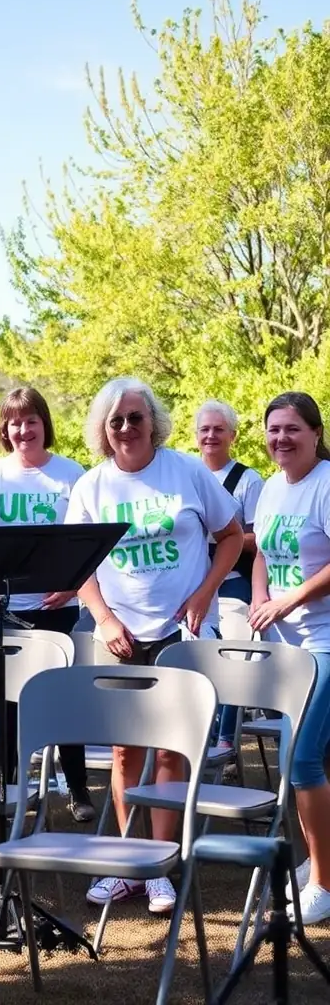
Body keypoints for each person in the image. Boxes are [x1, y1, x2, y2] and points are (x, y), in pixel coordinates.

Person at [64, 377, 243, 915]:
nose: (125, 428)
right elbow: (79, 566)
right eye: (115, 420)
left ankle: (160, 863)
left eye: (135, 417)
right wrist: (103, 618)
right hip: (120, 637)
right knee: (124, 749)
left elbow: (231, 536)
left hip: (181, 633)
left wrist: (204, 593)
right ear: (102, 428)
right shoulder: (91, 486)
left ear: (153, 422)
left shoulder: (187, 470)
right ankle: (129, 861)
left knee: (169, 748)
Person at [0, 387, 95, 822]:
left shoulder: (71, 474)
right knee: (3, 704)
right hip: (1, 611)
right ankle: (5, 792)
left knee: (61, 700)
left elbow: (89, 541)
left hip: (55, 608)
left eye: (31, 421)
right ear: (5, 429)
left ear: (45, 424)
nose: (23, 430)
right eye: (14, 422)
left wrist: (75, 586)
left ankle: (78, 790)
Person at [250, 392, 330, 924]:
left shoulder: (325, 484)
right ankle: (319, 861)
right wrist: (260, 600)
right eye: (274, 429)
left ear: (316, 433)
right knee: (312, 760)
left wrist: (290, 599)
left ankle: (323, 884)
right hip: (286, 644)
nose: (282, 438)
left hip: (324, 640)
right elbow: (259, 552)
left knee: (301, 760)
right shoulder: (272, 487)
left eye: (292, 429)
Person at [195, 399, 264, 750]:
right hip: (193, 585)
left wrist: (221, 537)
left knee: (233, 656)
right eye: (204, 430)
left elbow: (257, 537)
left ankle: (225, 740)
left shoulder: (248, 480)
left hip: (234, 582)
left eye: (218, 429)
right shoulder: (187, 474)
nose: (211, 436)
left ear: (232, 435)